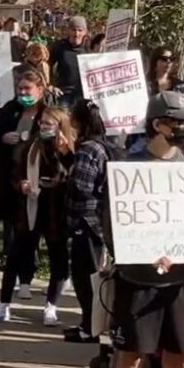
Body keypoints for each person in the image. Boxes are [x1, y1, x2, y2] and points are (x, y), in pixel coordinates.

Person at [111, 91, 184, 368]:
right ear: (159, 124)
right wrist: (140, 250)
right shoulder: (128, 170)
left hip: (180, 284)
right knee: (129, 365)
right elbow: (112, 227)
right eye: (180, 122)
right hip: (136, 281)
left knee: (179, 365)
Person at [0, 106, 74, 326]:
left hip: (55, 211)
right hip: (30, 208)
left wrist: (65, 154)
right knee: (15, 257)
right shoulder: (30, 146)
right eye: (42, 123)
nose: (44, 127)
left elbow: (74, 175)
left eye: (49, 124)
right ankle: (3, 305)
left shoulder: (69, 148)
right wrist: (20, 184)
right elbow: (16, 172)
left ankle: (51, 306)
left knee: (58, 260)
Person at [0, 71, 49, 298]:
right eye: (20, 89)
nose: (23, 93)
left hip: (37, 181)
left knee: (33, 232)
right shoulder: (8, 111)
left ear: (39, 90)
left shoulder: (46, 113)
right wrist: (3, 139)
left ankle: (27, 278)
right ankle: (15, 278)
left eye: (28, 89)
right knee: (14, 232)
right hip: (12, 182)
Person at [63, 99, 112, 344]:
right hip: (97, 222)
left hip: (86, 221)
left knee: (85, 278)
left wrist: (67, 176)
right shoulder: (104, 146)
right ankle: (90, 324)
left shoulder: (87, 150)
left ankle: (90, 327)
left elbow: (83, 185)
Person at [49, 16, 90, 105]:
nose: (76, 34)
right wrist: (51, 85)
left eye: (80, 30)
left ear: (85, 32)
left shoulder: (89, 48)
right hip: (64, 93)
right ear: (68, 31)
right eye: (73, 30)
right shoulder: (60, 46)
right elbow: (47, 65)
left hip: (84, 95)